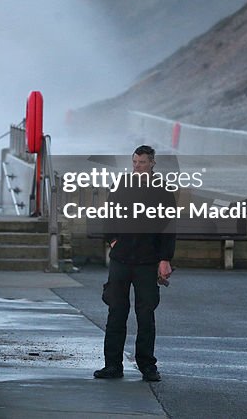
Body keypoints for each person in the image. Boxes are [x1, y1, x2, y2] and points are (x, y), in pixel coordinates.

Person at [94, 144, 175, 382]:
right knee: (116, 311)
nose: (138, 166)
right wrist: (113, 240)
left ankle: (147, 366)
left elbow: (168, 226)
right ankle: (112, 365)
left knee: (146, 314)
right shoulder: (122, 184)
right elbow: (110, 213)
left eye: (142, 162)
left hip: (148, 261)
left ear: (152, 163)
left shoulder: (162, 190)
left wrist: (165, 259)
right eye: (135, 162)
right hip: (121, 258)